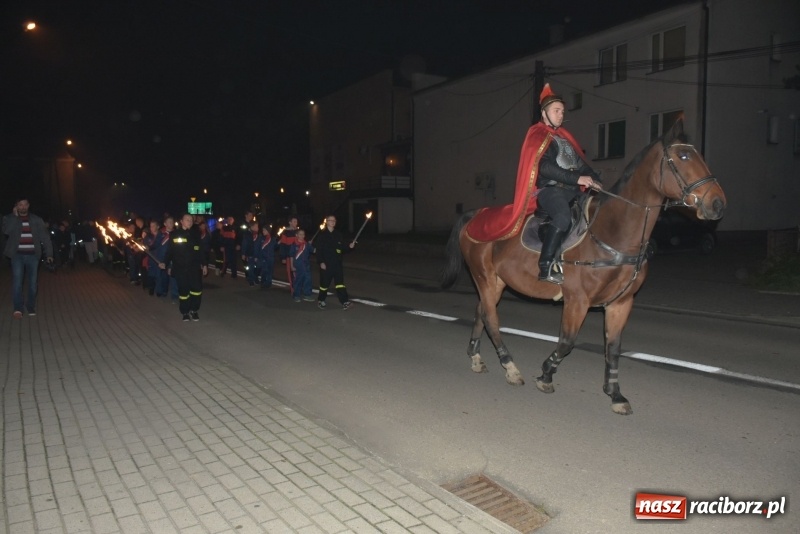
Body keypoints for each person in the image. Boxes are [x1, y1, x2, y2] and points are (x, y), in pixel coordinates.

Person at [532, 84, 601, 284]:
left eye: (562, 111)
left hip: (571, 192)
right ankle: (545, 266)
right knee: (563, 216)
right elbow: (545, 167)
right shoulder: (539, 136)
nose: (561, 115)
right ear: (544, 114)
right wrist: (577, 179)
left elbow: (581, 165)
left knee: (596, 212)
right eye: (556, 111)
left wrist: (596, 180)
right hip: (550, 191)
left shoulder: (565, 140)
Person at [2, 198, 54, 318]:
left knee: (32, 283)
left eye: (25, 204)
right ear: (16, 206)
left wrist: (49, 254)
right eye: (20, 205)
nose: (23, 207)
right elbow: (7, 231)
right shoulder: (9, 218)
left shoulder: (36, 219)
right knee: (17, 282)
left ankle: (30, 305)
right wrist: (15, 217)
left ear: (28, 205)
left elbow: (45, 237)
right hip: (17, 255)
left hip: (33, 255)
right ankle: (18, 308)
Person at [162, 213, 207, 321]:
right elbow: (170, 251)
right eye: (187, 219)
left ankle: (194, 310)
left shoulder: (196, 234)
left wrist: (204, 264)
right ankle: (185, 312)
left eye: (191, 220)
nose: (190, 221)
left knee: (196, 290)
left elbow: (201, 250)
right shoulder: (174, 234)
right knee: (184, 291)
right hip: (180, 267)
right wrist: (165, 262)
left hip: (194, 267)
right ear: (181, 221)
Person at [313, 215, 354, 310]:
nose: (333, 222)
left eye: (334, 220)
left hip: (337, 263)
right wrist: (321, 262)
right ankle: (321, 300)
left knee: (340, 284)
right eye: (331, 220)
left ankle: (345, 302)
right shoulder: (322, 235)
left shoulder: (338, 234)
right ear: (326, 222)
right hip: (326, 264)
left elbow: (342, 247)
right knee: (324, 284)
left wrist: (349, 247)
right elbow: (319, 250)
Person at [289, 229, 314, 302]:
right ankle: (296, 295)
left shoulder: (306, 244)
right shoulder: (294, 245)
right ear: (296, 235)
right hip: (298, 266)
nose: (302, 236)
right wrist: (292, 266)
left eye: (303, 234)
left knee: (308, 280)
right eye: (300, 234)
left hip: (306, 265)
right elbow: (291, 256)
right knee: (298, 280)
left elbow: (313, 250)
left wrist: (311, 245)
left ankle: (307, 294)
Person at [241, 221, 261, 286]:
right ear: (252, 227)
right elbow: (244, 244)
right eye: (256, 226)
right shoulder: (247, 234)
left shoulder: (258, 235)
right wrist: (243, 253)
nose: (257, 228)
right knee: (251, 267)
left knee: (258, 267)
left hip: (257, 253)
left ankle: (255, 278)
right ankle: (251, 280)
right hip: (250, 253)